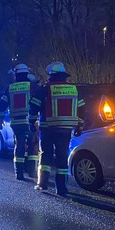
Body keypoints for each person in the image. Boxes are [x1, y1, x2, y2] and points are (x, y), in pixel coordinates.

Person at [28, 62, 84, 196]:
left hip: (47, 128)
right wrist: (79, 126)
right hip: (65, 130)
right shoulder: (73, 89)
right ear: (64, 76)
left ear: (51, 76)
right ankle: (62, 188)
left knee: (46, 155)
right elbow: (81, 109)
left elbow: (34, 106)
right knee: (62, 157)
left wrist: (31, 122)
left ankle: (42, 184)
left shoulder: (45, 89)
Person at [0, 63, 35, 180]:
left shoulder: (10, 88)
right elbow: (38, 103)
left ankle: (19, 174)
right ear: (26, 73)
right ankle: (31, 172)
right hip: (30, 122)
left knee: (19, 146)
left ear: (16, 74)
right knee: (32, 146)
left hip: (16, 123)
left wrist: (0, 119)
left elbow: (2, 105)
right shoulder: (32, 87)